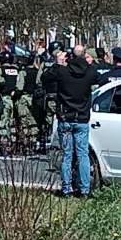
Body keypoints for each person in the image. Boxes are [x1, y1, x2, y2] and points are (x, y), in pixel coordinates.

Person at [42, 45, 99, 197]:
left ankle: (67, 188)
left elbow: (45, 78)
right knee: (83, 155)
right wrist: (88, 62)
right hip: (81, 119)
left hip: (65, 118)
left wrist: (57, 63)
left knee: (67, 155)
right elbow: (98, 75)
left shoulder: (62, 72)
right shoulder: (90, 72)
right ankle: (85, 189)